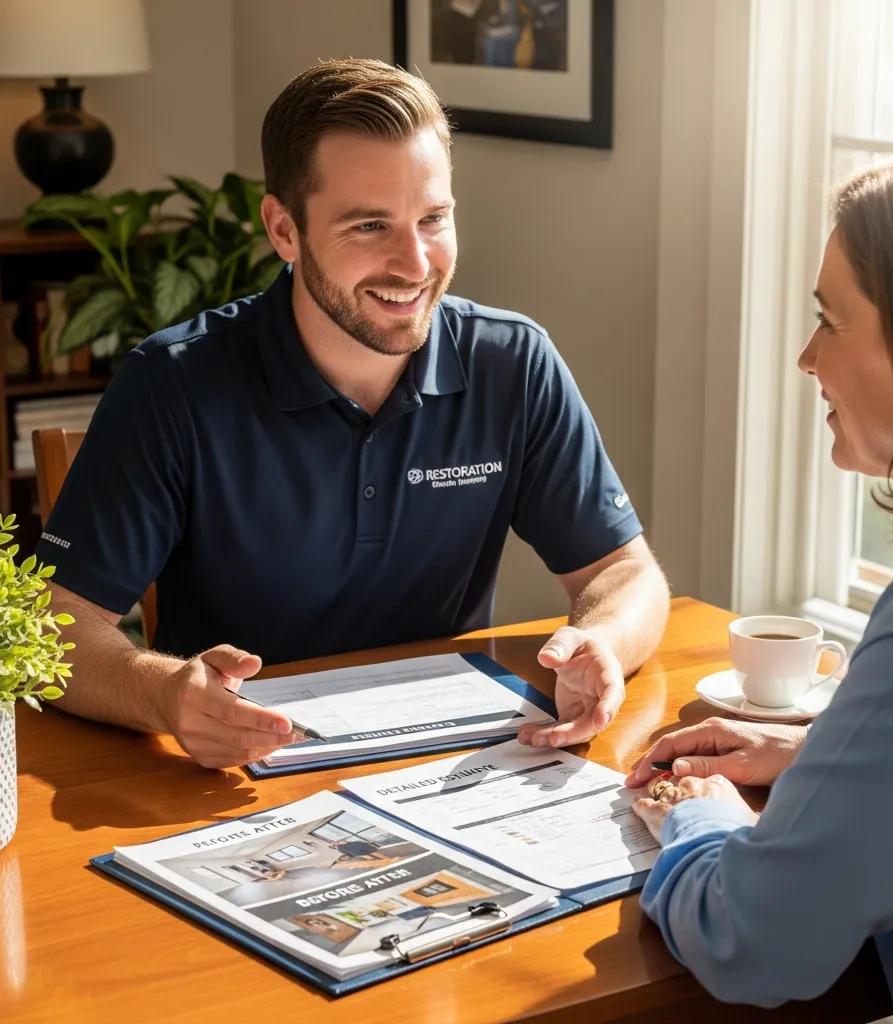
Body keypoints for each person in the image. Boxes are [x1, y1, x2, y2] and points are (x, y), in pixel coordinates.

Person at [38, 58, 669, 770]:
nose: (414, 263)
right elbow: (55, 624)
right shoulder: (173, 385)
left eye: (433, 219)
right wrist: (166, 695)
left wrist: (604, 643)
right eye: (370, 226)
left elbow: (624, 574)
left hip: (450, 770)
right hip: (237, 782)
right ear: (283, 229)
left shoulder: (513, 364)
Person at [627, 134, 893, 1023]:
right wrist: (825, 762)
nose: (808, 358)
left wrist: (698, 815)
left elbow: (757, 941)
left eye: (831, 320)